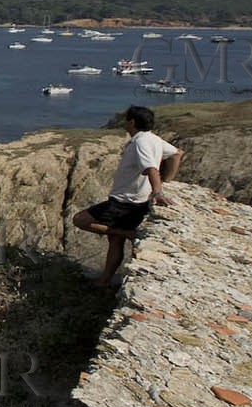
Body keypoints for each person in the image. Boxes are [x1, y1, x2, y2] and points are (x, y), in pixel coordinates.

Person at [72, 105, 183, 289]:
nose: (124, 123)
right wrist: (167, 181)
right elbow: (177, 154)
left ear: (132, 122)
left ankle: (131, 234)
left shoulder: (140, 142)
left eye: (126, 120)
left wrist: (158, 190)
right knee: (115, 241)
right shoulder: (154, 139)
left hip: (124, 201)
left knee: (80, 220)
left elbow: (151, 168)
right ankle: (104, 281)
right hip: (137, 200)